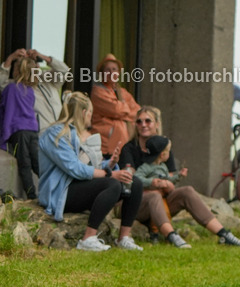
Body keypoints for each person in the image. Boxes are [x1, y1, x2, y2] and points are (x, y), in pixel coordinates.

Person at [122, 107, 240, 248]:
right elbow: (130, 181)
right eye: (139, 122)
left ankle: (224, 234)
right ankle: (172, 236)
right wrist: (154, 183)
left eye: (148, 121)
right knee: (153, 195)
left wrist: (167, 184)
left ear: (157, 124)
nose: (143, 125)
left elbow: (170, 185)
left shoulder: (164, 149)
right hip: (137, 204)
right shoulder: (129, 149)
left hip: (163, 204)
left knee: (187, 191)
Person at [37, 92, 144, 251]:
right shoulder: (55, 133)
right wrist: (110, 174)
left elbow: (90, 166)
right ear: (83, 113)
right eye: (91, 114)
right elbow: (75, 168)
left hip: (79, 187)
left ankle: (124, 238)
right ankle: (87, 239)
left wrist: (110, 164)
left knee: (134, 183)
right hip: (61, 193)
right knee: (112, 184)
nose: (91, 118)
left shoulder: (79, 134)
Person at [0, 54, 40, 199]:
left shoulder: (11, 89)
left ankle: (31, 195)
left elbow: (8, 114)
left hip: (20, 132)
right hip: (33, 130)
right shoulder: (30, 91)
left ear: (18, 71)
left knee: (24, 164)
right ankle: (53, 189)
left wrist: (4, 138)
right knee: (37, 163)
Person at [1, 48, 70, 131]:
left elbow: (64, 70)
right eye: (30, 65)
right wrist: (10, 58)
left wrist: (42, 56)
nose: (36, 66)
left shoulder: (47, 79)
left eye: (35, 63)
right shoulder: (18, 87)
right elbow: (2, 84)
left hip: (61, 132)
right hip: (42, 136)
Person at [90, 53, 141, 157]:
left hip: (123, 146)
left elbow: (137, 112)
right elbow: (116, 110)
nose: (111, 72)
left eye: (114, 69)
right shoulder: (97, 91)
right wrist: (124, 110)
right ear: (101, 73)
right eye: (107, 70)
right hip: (105, 147)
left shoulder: (122, 91)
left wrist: (121, 110)